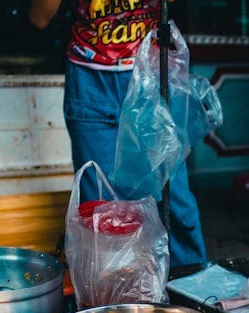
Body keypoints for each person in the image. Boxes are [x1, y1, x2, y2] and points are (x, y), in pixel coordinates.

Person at [29, 0, 207, 268]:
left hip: (150, 78)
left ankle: (191, 287)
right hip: (92, 82)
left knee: (175, 197)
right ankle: (112, 298)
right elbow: (38, 18)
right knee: (101, 207)